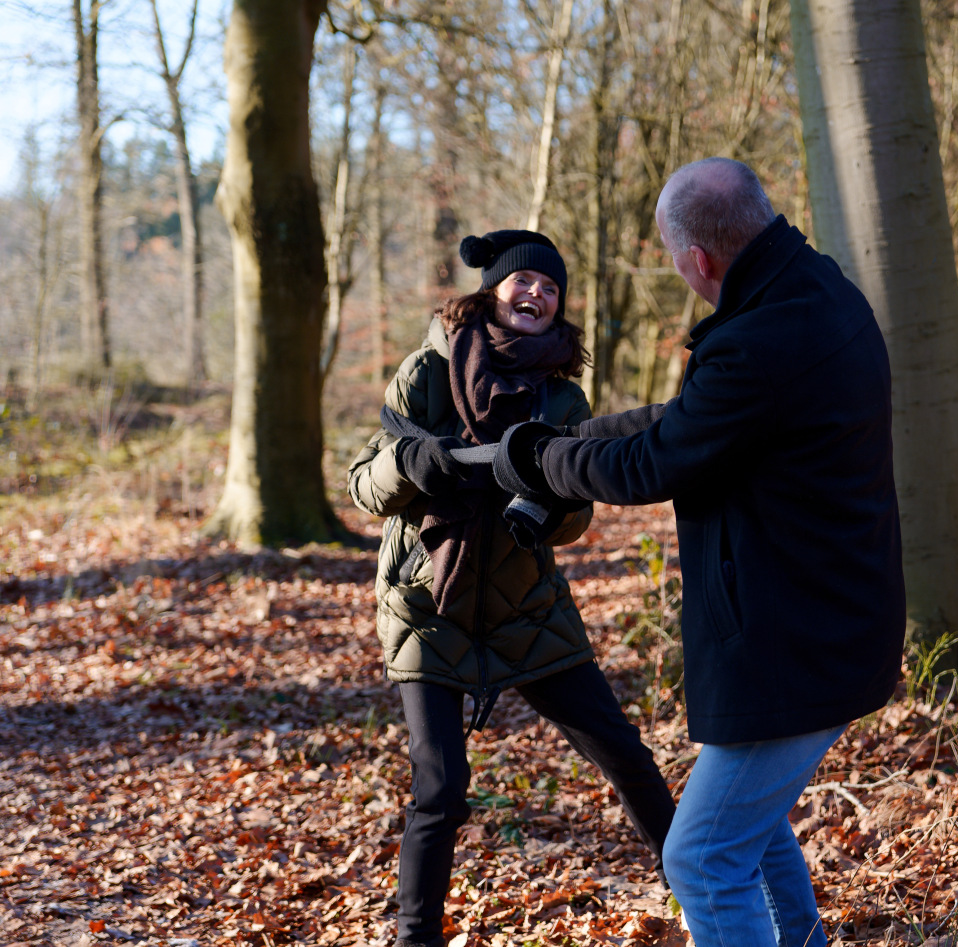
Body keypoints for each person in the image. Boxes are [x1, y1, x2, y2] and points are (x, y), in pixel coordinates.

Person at [492, 158, 907, 947]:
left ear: (700, 261)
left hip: (804, 641)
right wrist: (570, 438)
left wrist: (539, 462)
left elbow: (656, 461)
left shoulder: (759, 341)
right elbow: (687, 419)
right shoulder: (813, 291)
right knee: (749, 828)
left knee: (703, 855)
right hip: (822, 622)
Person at [346, 230, 675, 947]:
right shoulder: (425, 374)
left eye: (550, 288)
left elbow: (578, 512)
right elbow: (364, 485)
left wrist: (549, 506)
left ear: (559, 309)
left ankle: (706, 888)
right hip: (428, 606)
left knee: (624, 754)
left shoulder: (563, 396)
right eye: (523, 282)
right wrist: (410, 461)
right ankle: (416, 939)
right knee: (439, 790)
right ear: (491, 290)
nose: (535, 294)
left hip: (528, 606)